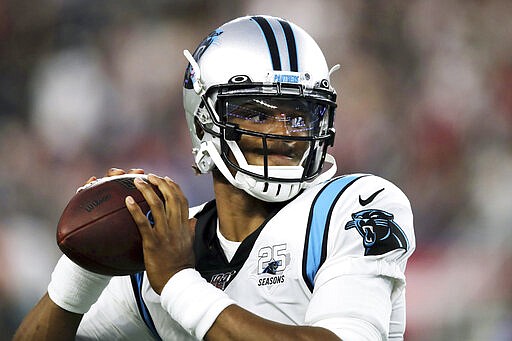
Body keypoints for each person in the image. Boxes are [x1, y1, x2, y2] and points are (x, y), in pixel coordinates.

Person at [14, 15, 415, 340]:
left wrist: (179, 285)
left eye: (299, 114)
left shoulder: (353, 205)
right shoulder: (167, 241)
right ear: (203, 121)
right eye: (256, 113)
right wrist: (84, 268)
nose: (282, 132)